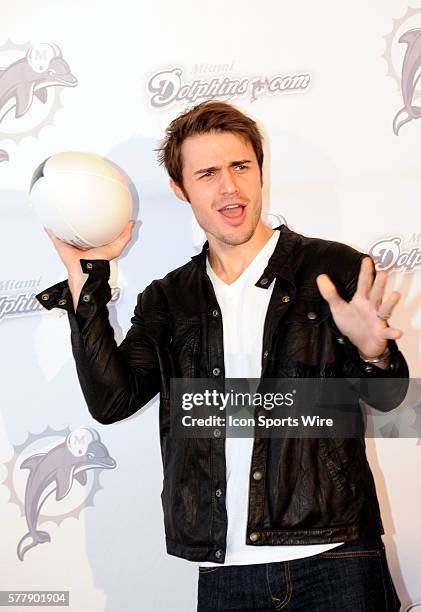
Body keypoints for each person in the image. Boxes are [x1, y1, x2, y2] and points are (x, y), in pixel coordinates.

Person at [37, 100, 408, 611]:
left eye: (241, 167)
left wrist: (374, 352)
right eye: (207, 173)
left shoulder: (334, 268)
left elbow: (389, 399)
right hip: (226, 572)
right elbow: (112, 400)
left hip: (337, 555)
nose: (229, 187)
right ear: (180, 188)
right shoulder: (169, 299)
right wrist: (86, 285)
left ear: (260, 170)